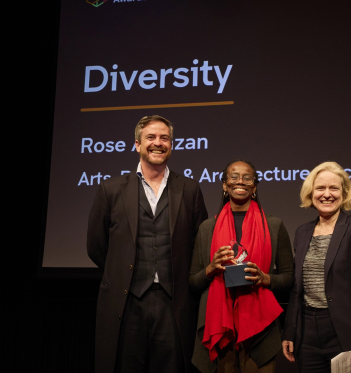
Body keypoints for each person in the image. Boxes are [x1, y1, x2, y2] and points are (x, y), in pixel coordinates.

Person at [87, 115, 208, 373]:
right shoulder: (111, 189)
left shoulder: (189, 189)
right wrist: (122, 273)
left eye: (164, 138)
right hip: (126, 301)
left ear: (171, 146)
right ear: (137, 145)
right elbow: (96, 246)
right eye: (150, 137)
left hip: (173, 302)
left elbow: (200, 245)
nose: (158, 143)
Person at [281, 161, 351, 372]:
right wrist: (290, 331)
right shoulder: (302, 232)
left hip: (346, 329)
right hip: (307, 331)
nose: (326, 194)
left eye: (334, 188)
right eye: (320, 188)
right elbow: (297, 288)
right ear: (311, 193)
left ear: (344, 193)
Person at [189, 160, 294, 373]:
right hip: (219, 330)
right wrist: (211, 268)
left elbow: (289, 277)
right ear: (224, 185)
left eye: (247, 178)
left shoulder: (274, 226)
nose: (240, 181)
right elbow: (193, 281)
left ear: (254, 187)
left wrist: (266, 278)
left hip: (260, 333)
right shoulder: (207, 228)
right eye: (233, 176)